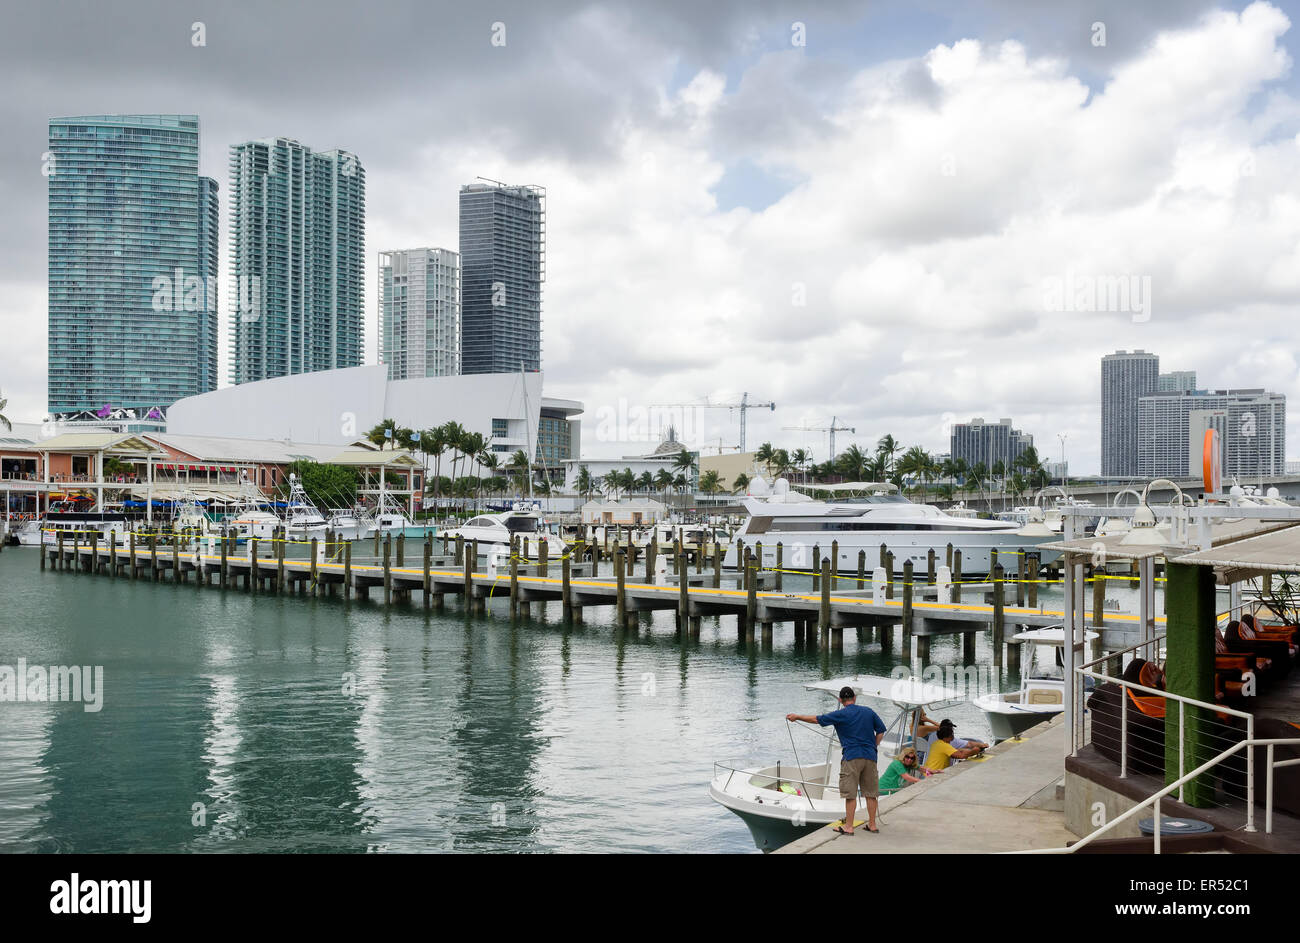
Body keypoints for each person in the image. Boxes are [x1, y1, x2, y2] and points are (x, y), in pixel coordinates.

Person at [787, 686, 886, 834]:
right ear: (855, 698)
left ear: (840, 700)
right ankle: (872, 825)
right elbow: (881, 730)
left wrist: (797, 717)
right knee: (871, 794)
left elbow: (816, 719)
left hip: (852, 757)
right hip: (870, 756)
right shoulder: (868, 711)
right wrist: (874, 746)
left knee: (850, 794)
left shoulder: (840, 714)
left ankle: (849, 827)